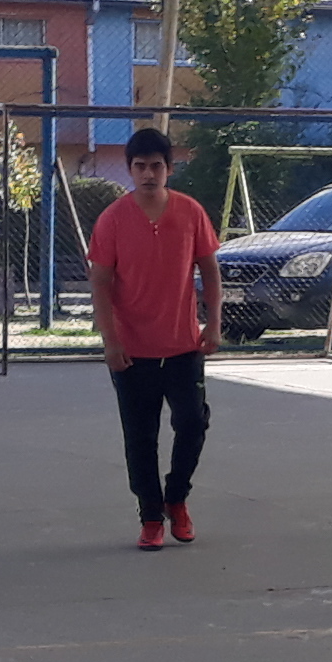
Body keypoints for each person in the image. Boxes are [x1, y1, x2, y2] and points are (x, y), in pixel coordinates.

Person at [89, 125, 220, 549]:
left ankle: (176, 498)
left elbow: (210, 271)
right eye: (141, 166)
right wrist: (111, 341)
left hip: (183, 346)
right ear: (129, 169)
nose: (149, 174)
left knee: (192, 423)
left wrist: (213, 323)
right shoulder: (112, 219)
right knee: (140, 437)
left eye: (157, 166)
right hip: (133, 352)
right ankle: (150, 517)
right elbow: (100, 283)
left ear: (169, 169)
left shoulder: (190, 212)